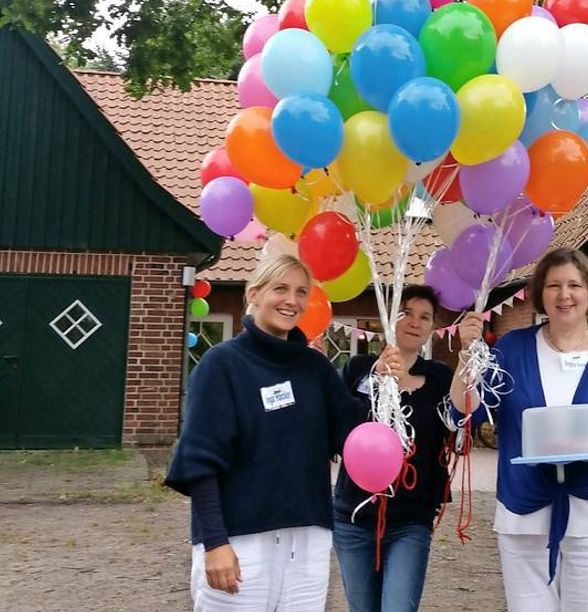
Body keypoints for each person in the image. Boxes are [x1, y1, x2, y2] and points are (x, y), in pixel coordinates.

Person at [451, 247, 588, 612]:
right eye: (553, 285)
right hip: (524, 511)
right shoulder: (512, 349)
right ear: (540, 294)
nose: (564, 295)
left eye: (574, 285)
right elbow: (467, 410)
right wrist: (468, 355)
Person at [165, 254, 362, 611]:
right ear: (254, 294)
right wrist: (214, 542)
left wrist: (388, 382)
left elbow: (354, 435)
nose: (292, 300)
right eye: (280, 289)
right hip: (239, 543)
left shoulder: (316, 369)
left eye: (301, 292)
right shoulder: (221, 364)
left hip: (308, 544)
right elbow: (199, 462)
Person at [330, 285, 455, 612]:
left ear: (432, 327)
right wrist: (377, 379)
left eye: (424, 317)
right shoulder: (357, 369)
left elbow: (459, 420)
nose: (415, 322)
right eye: (406, 313)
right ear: (389, 318)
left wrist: (471, 353)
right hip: (353, 518)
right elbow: (337, 430)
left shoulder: (440, 377)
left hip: (411, 521)